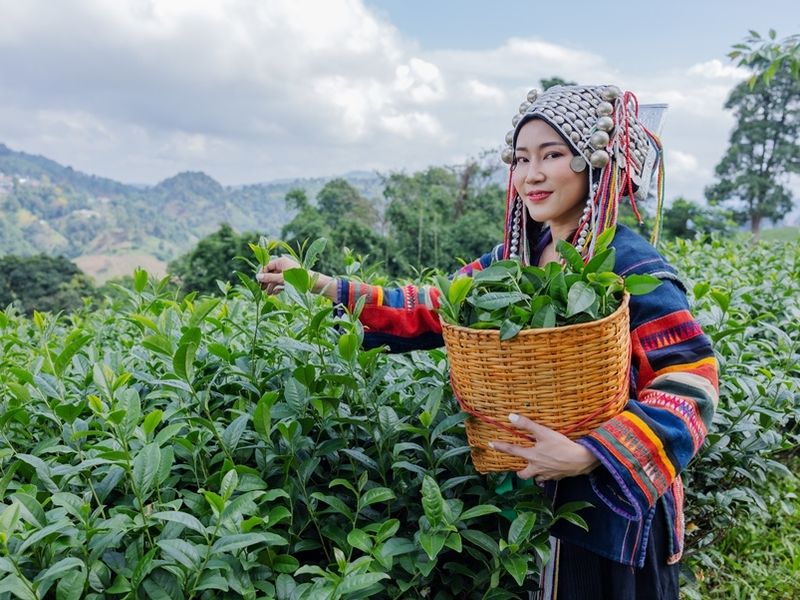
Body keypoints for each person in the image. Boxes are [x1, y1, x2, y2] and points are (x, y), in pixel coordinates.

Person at [257, 84, 719, 599]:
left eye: (552, 155)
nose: (531, 175)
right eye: (521, 159)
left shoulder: (631, 266)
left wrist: (590, 453)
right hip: (539, 502)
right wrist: (320, 285)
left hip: (617, 516)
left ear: (596, 163)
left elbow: (691, 381)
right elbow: (433, 307)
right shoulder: (516, 259)